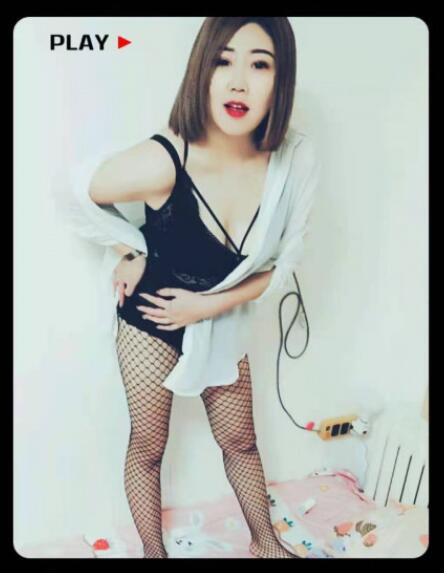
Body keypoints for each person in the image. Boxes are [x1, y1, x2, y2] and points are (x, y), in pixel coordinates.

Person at [57, 17, 320, 558]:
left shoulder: (294, 159)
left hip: (220, 317)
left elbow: (285, 263)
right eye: (223, 61)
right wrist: (128, 248)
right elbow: (75, 191)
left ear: (281, 78)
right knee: (149, 446)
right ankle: (154, 554)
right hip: (151, 319)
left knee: (241, 442)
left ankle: (266, 545)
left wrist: (208, 305)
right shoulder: (165, 156)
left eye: (260, 64)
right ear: (202, 70)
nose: (239, 81)